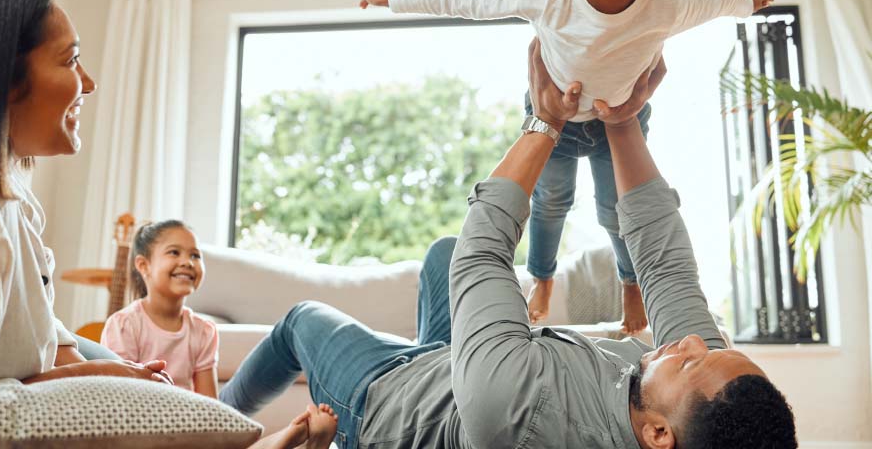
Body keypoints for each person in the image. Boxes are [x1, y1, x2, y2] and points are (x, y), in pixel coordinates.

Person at [219, 39, 796, 449]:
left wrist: (545, 121)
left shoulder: (518, 418)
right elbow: (666, 266)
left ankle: (219, 423)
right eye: (709, 347)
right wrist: (623, 124)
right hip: (459, 370)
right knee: (440, 253)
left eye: (692, 358)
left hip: (385, 400)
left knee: (301, 320)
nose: (691, 341)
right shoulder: (685, 398)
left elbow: (484, 252)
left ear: (658, 434)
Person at [0, 0, 339, 449]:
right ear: (0, 79)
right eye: (70, 60)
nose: (89, 83)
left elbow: (35, 329)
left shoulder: (4, 200)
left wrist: (97, 370)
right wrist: (103, 387)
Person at [359, 0, 773, 333]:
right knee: (551, 201)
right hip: (552, 113)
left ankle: (631, 284)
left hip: (620, 118)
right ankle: (542, 276)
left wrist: (746, 0)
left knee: (615, 211)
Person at [101, 220, 220, 396]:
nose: (187, 262)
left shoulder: (204, 331)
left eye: (195, 255)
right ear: (143, 265)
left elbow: (210, 405)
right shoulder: (123, 325)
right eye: (174, 252)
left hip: (188, 418)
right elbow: (119, 395)